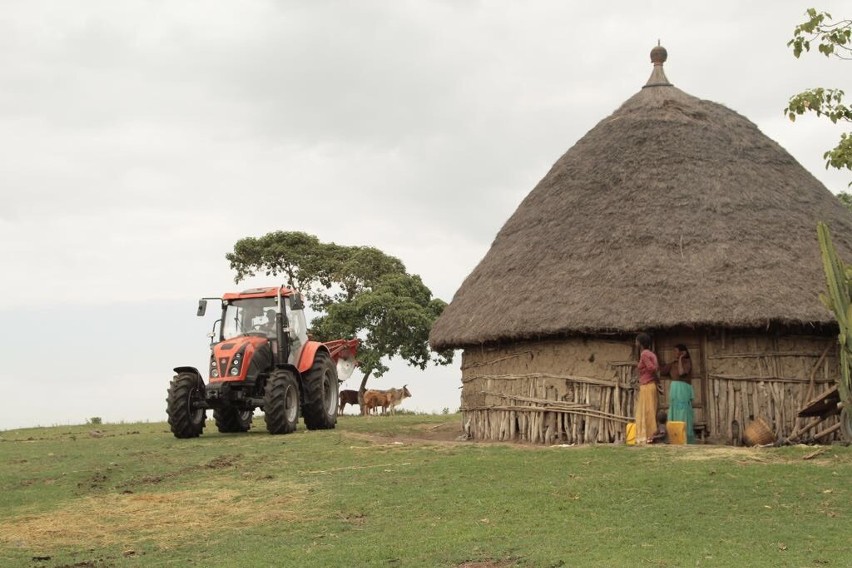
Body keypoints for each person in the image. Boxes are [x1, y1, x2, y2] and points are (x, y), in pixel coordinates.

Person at [660, 343, 696, 444]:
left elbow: (681, 372)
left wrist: (680, 359)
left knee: (683, 411)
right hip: (675, 389)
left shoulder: (687, 362)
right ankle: (674, 435)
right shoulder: (672, 364)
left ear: (682, 352)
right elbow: (662, 371)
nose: (674, 353)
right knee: (674, 410)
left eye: (676, 351)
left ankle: (683, 435)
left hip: (683, 389)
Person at [634, 332, 659, 445]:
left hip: (647, 385)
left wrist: (646, 372)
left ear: (640, 343)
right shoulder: (651, 354)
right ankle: (650, 436)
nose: (635, 343)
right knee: (650, 410)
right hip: (651, 385)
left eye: (636, 341)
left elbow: (652, 368)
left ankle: (646, 436)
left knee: (645, 411)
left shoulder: (644, 354)